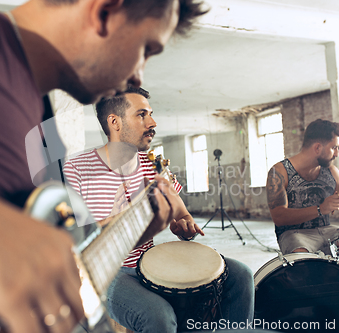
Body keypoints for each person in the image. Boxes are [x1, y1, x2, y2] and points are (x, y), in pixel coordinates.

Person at [0, 0, 209, 332]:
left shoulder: (42, 118)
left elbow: (33, 245)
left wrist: (135, 228)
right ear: (104, 13)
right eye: (146, 48)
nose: (138, 74)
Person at [64, 86, 254, 332]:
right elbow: (77, 242)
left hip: (146, 262)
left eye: (151, 114)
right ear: (115, 122)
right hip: (106, 272)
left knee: (241, 276)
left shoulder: (153, 165)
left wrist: (183, 223)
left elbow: (181, 212)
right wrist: (120, 214)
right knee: (159, 315)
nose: (152, 122)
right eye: (141, 114)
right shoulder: (78, 168)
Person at [266, 119, 339, 256]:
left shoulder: (332, 171)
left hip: (327, 230)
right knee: (302, 256)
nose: (337, 153)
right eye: (334, 147)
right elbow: (279, 217)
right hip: (293, 234)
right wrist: (320, 209)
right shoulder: (279, 172)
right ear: (317, 147)